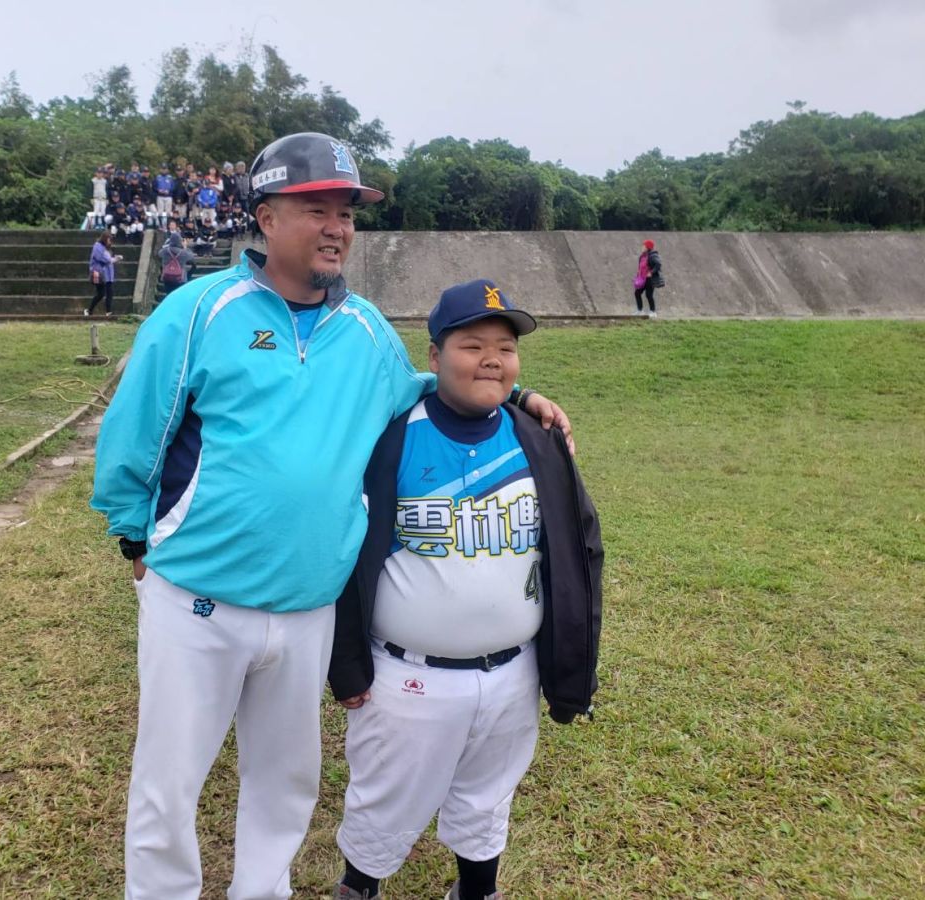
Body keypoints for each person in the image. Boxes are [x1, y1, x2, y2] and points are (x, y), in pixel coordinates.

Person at [91, 132, 572, 900]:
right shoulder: (200, 311)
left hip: (310, 603)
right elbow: (135, 431)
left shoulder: (365, 329)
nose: (337, 227)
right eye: (316, 209)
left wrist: (512, 394)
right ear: (266, 216)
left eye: (346, 212)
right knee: (169, 782)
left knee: (285, 780)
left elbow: (424, 386)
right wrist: (132, 536)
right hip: (198, 598)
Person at [328, 279, 603, 900]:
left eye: (506, 348)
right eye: (472, 346)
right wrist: (345, 664)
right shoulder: (391, 437)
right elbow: (345, 555)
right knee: (383, 799)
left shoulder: (538, 437)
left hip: (512, 672)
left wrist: (571, 668)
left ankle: (478, 890)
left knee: (488, 796)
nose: (491, 360)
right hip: (409, 677)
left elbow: (579, 550)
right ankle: (360, 886)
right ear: (433, 356)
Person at [85, 231, 120, 317]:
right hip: (100, 273)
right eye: (109, 239)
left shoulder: (106, 248)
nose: (110, 242)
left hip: (108, 274)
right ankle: (89, 310)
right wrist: (115, 259)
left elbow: (108, 259)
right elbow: (104, 259)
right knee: (101, 293)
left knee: (109, 293)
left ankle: (108, 312)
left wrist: (114, 259)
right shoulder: (98, 247)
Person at [633, 238, 664, 318]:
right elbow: (641, 266)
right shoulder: (642, 256)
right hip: (642, 279)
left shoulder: (653, 255)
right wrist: (638, 273)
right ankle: (640, 311)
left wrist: (651, 272)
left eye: (644, 246)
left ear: (648, 247)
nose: (642, 247)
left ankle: (653, 312)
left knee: (648, 295)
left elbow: (658, 264)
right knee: (637, 293)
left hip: (650, 279)